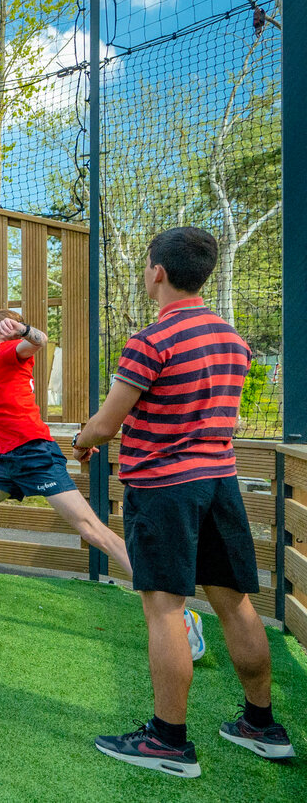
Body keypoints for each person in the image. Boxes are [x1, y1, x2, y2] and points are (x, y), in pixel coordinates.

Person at [72, 227, 295, 777]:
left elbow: (106, 423)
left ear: (158, 273)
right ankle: (261, 726)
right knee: (235, 602)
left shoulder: (151, 342)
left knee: (165, 608)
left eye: (148, 264)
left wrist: (81, 441)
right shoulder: (233, 341)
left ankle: (169, 741)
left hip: (164, 488)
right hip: (219, 484)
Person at [0, 310, 205, 648]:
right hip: (9, 461)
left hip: (36, 454)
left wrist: (24, 329)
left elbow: (39, 340)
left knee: (92, 531)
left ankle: (178, 613)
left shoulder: (10, 354)